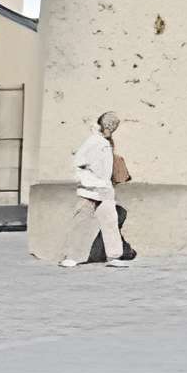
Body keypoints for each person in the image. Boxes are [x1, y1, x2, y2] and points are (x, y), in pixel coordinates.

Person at [62, 111, 131, 268]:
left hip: (105, 191)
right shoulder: (92, 141)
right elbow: (78, 163)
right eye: (110, 124)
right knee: (80, 222)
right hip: (89, 191)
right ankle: (72, 256)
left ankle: (114, 256)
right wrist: (89, 181)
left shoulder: (106, 143)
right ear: (103, 124)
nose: (112, 128)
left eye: (114, 125)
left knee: (110, 223)